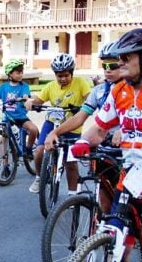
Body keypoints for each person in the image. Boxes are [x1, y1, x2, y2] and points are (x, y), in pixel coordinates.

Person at [69, 28, 142, 262]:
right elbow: (98, 128)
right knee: (120, 234)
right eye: (119, 56)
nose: (121, 61)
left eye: (128, 56)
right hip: (132, 172)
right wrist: (82, 144)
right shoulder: (120, 91)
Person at [44, 42, 124, 213]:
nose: (108, 69)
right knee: (104, 201)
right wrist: (55, 132)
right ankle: (104, 237)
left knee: (127, 204)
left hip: (129, 150)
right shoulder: (100, 91)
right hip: (104, 147)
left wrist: (124, 130)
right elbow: (81, 117)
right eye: (104, 65)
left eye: (113, 65)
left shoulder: (134, 90)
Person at [25, 53, 92, 194]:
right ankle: (39, 178)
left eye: (66, 75)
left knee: (71, 162)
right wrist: (31, 103)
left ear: (72, 73)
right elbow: (39, 99)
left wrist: (83, 106)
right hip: (51, 123)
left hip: (72, 126)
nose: (62, 79)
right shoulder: (50, 86)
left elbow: (89, 99)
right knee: (39, 151)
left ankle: (72, 194)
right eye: (59, 76)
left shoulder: (81, 83)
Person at [0, 59, 39, 157]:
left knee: (34, 129)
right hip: (7, 117)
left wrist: (25, 99)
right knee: (4, 140)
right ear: (10, 74)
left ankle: (28, 148)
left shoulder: (24, 86)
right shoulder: (3, 87)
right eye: (18, 72)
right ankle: (5, 165)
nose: (21, 75)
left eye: (21, 72)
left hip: (20, 117)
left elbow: (25, 96)